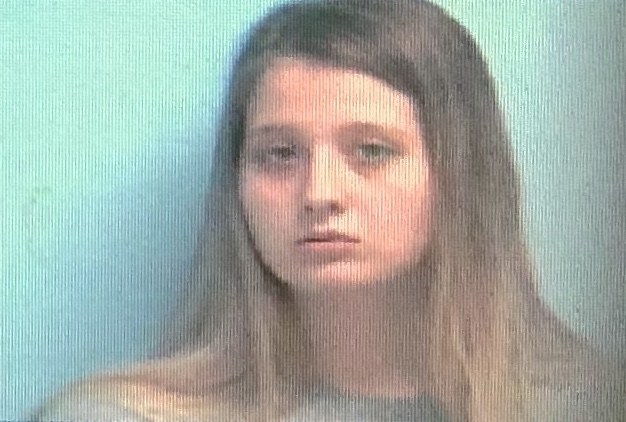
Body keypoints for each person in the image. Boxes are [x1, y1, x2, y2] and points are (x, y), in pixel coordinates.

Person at [31, 0, 623, 421]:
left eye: (372, 150)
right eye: (279, 154)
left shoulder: (584, 406)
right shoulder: (111, 416)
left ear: (460, 174)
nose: (320, 193)